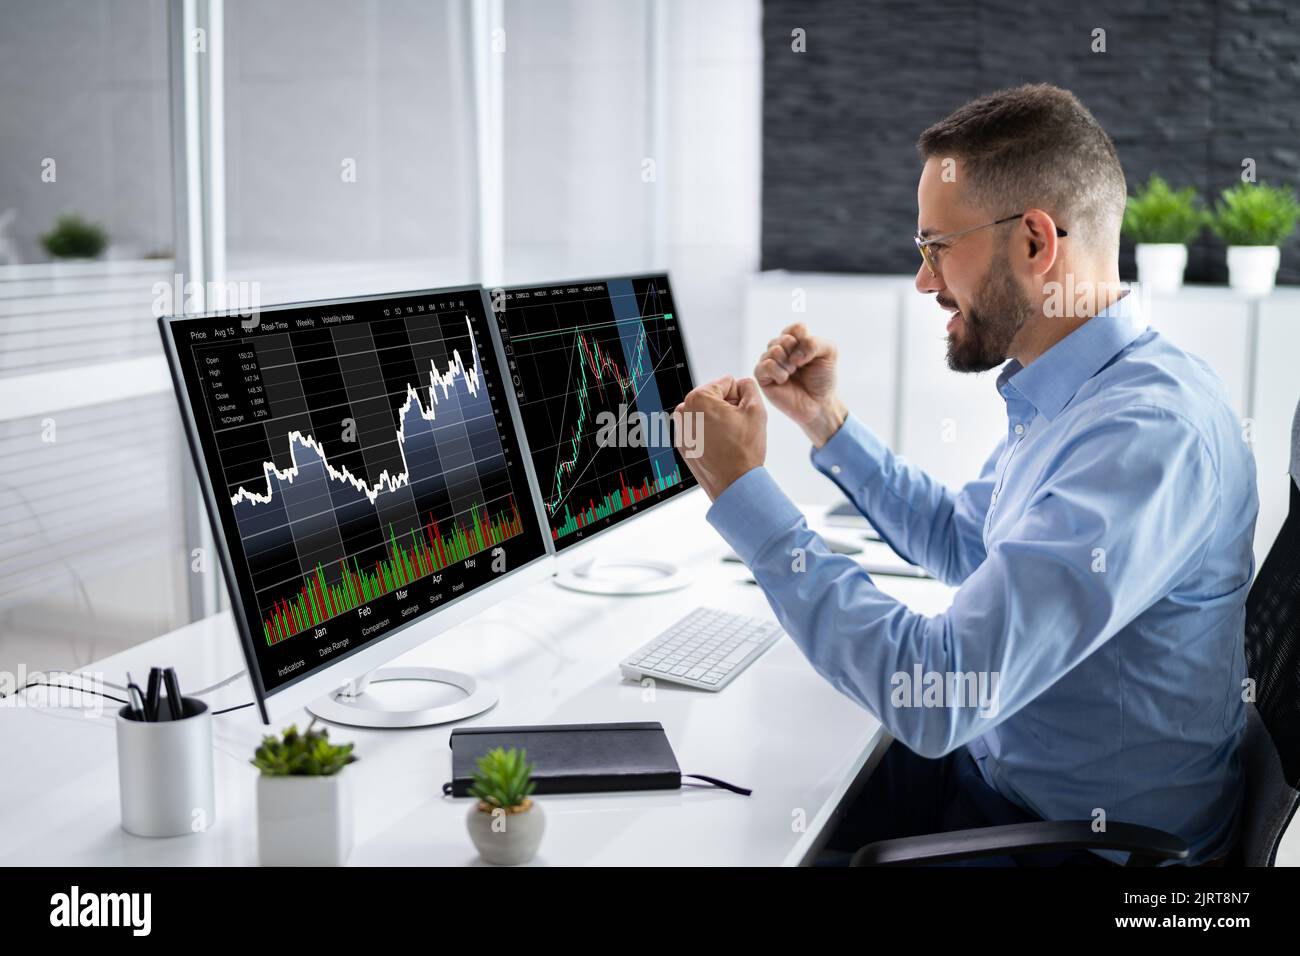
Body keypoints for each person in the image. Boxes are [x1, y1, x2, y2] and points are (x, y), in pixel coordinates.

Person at [673, 84, 1258, 866]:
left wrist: (743, 493)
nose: (925, 281)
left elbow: (942, 689)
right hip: (1007, 788)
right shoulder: (1074, 390)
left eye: (936, 247)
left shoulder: (1145, 436)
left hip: (1078, 851)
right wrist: (825, 422)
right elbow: (964, 539)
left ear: (1035, 243)